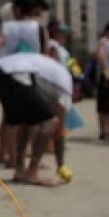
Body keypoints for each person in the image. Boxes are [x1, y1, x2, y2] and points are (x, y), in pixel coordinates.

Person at [0, 51, 74, 187]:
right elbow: (59, 130)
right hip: (15, 76)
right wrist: (61, 164)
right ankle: (32, 172)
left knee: (26, 123)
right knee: (50, 122)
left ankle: (20, 171)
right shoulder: (66, 85)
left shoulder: (53, 72)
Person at [0, 0, 48, 168]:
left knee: (9, 117)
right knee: (29, 120)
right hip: (28, 74)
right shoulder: (39, 28)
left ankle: (6, 155)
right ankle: (20, 157)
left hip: (5, 73)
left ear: (19, 10)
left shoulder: (7, 27)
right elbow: (44, 53)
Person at [44, 19, 79, 182]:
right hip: (57, 92)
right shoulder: (52, 45)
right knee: (55, 126)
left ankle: (59, 163)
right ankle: (59, 164)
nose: (64, 35)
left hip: (63, 90)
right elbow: (53, 67)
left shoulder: (61, 48)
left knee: (59, 127)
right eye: (61, 32)